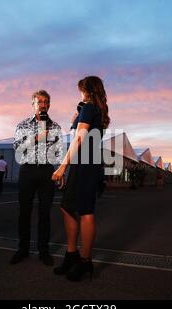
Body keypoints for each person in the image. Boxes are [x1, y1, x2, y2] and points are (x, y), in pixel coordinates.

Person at [52, 76, 110, 281]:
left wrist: (62, 166)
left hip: (85, 163)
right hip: (84, 162)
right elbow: (75, 129)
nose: (80, 93)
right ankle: (71, 255)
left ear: (87, 90)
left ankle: (86, 262)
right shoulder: (93, 109)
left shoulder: (89, 107)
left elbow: (79, 138)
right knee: (67, 207)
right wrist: (76, 116)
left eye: (81, 90)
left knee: (85, 210)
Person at [10, 90, 63, 266]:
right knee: (24, 212)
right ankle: (22, 249)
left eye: (46, 101)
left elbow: (60, 152)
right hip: (28, 170)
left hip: (47, 171)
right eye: (39, 101)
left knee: (45, 213)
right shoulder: (22, 125)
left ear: (49, 104)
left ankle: (44, 251)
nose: (42, 104)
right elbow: (17, 148)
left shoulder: (55, 127)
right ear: (33, 104)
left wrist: (61, 171)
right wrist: (36, 138)